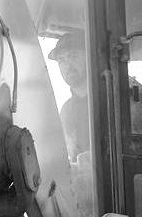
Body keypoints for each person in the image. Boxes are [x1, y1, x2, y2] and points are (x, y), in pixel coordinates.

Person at [48, 31, 90, 161]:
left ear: (89, 57)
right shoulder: (66, 111)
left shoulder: (114, 96)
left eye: (73, 56)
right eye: (62, 60)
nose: (68, 65)